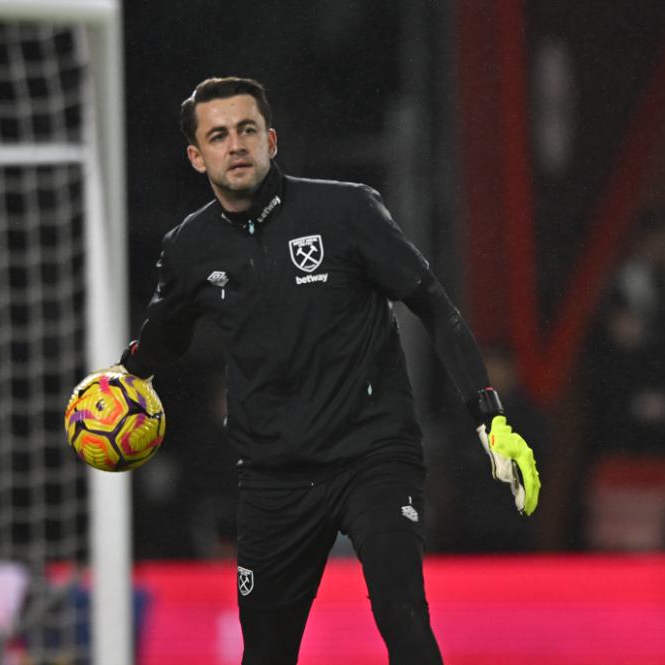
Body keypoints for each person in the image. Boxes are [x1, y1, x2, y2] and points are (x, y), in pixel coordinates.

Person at [118, 77, 540, 664]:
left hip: (372, 454)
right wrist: (126, 376)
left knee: (404, 616)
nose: (234, 144)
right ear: (197, 156)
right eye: (218, 136)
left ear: (270, 138)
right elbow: (161, 341)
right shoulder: (189, 249)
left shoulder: (345, 211)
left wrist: (489, 418)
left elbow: (433, 307)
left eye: (245, 130)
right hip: (274, 476)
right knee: (265, 653)